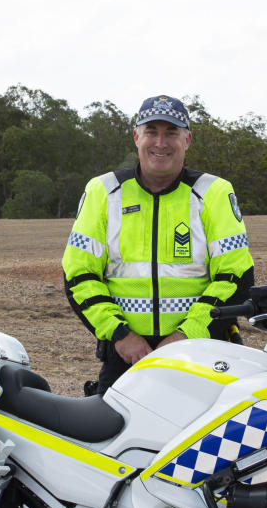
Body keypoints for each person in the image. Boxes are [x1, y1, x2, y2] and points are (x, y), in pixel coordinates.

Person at [63, 94, 255, 395]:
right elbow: (78, 275)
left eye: (172, 133)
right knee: (111, 438)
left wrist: (184, 337)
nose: (161, 143)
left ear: (188, 139)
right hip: (126, 354)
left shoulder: (214, 193)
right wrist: (121, 335)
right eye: (152, 131)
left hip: (200, 352)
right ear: (136, 136)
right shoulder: (102, 191)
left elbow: (235, 277)